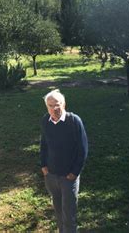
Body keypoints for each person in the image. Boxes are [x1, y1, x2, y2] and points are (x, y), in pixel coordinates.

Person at [40, 89, 88, 233]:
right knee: (59, 212)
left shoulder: (74, 121)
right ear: (46, 107)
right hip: (51, 177)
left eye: (57, 104)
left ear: (64, 104)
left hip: (68, 178)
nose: (54, 108)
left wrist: (74, 173)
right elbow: (44, 145)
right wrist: (44, 167)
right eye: (50, 106)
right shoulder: (45, 121)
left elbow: (83, 149)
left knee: (69, 216)